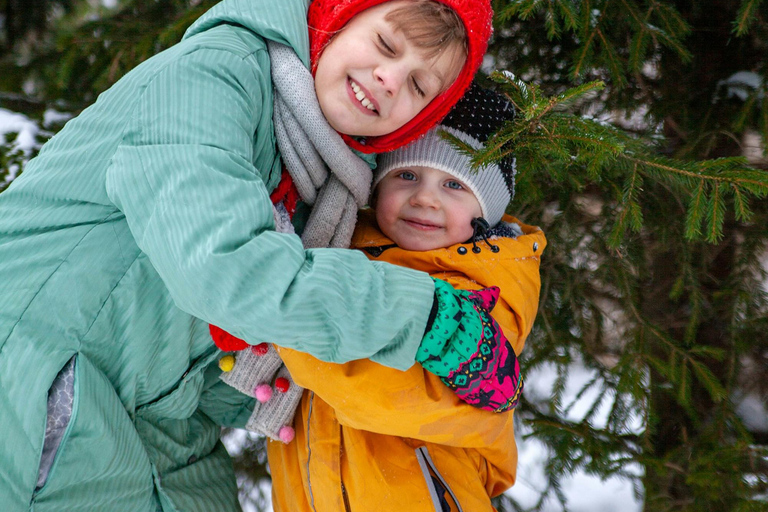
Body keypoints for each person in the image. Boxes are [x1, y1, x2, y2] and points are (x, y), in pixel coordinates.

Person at [0, 0, 495, 510]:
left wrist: (266, 382)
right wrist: (422, 316)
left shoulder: (327, 176)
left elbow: (197, 335)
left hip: (154, 417)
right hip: (35, 372)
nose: (390, 79)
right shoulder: (212, 75)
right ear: (336, 16)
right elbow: (223, 268)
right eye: (385, 44)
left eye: (418, 86)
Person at [260, 83, 547, 511]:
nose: (425, 199)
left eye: (454, 184)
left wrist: (280, 307)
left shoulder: (482, 292)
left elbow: (386, 393)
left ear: (486, 210)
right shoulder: (342, 243)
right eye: (407, 175)